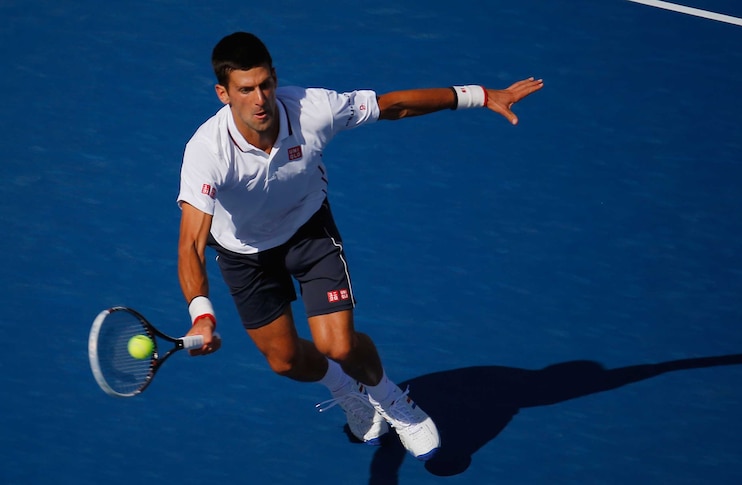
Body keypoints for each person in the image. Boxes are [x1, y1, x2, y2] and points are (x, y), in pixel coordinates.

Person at [176, 31, 543, 461]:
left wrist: (478, 95)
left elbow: (395, 105)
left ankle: (392, 399)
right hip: (244, 256)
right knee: (285, 361)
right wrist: (201, 316)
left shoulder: (313, 109)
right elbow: (190, 245)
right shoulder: (207, 152)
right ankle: (344, 388)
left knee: (341, 346)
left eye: (265, 84)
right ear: (223, 93)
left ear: (275, 78)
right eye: (245, 89)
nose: (259, 99)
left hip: (308, 231)